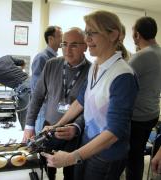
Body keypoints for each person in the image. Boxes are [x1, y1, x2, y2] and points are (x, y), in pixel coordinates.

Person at [42, 10, 138, 180]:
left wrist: (72, 157)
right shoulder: (95, 66)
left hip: (107, 154)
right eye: (86, 33)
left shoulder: (123, 76)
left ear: (113, 34)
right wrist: (57, 125)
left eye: (92, 33)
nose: (87, 39)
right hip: (87, 143)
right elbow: (80, 102)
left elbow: (114, 132)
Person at [22, 27, 91, 180]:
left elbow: (90, 109)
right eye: (64, 44)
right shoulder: (51, 64)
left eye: (74, 45)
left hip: (73, 135)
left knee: (71, 173)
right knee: (46, 170)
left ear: (85, 46)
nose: (67, 50)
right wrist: (29, 125)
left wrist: (76, 127)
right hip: (49, 129)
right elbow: (37, 96)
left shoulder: (92, 71)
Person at [125, 16, 161, 180]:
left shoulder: (141, 56)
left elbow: (120, 81)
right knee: (137, 155)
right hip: (152, 114)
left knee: (133, 158)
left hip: (136, 118)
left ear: (137, 35)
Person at [31, 26, 62, 133]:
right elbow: (36, 87)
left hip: (51, 108)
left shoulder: (56, 59)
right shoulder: (42, 58)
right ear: (50, 39)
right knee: (41, 139)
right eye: (60, 37)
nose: (62, 40)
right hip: (44, 109)